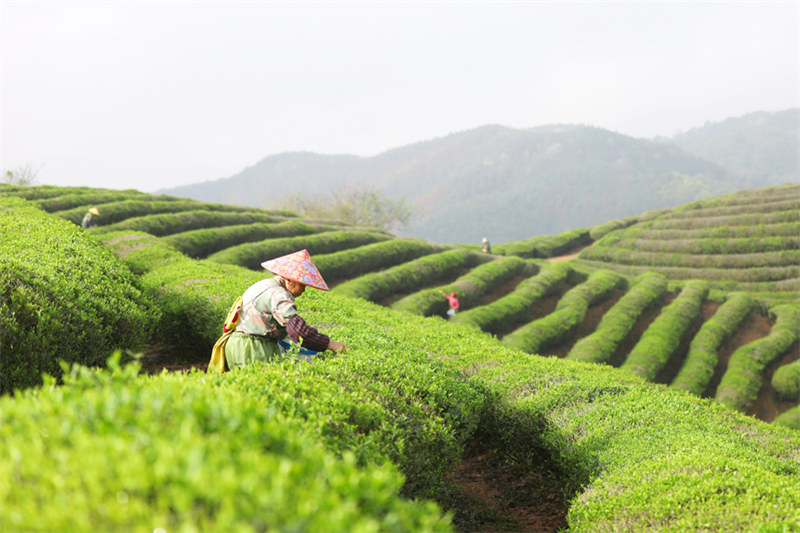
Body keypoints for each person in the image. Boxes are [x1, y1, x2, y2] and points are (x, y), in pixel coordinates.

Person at [223, 249, 347, 370]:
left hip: (238, 346)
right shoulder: (278, 294)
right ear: (289, 280)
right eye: (302, 285)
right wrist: (330, 344)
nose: (304, 290)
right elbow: (298, 331)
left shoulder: (265, 285)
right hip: (254, 350)